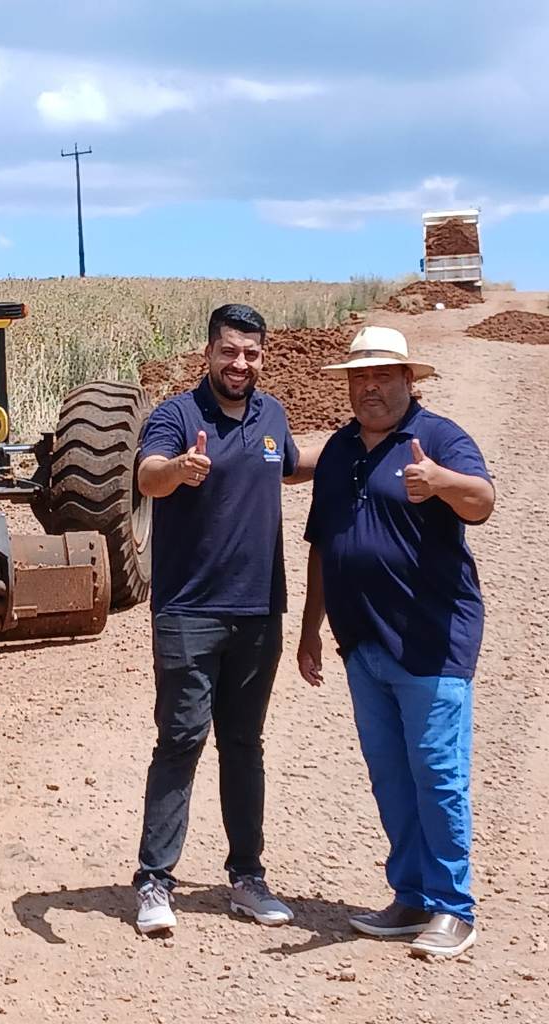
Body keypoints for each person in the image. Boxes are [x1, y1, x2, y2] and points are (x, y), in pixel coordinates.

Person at [297, 325, 495, 959]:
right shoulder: (337, 451)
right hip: (363, 643)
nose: (370, 386)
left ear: (410, 380)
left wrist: (439, 481)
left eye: (383, 375)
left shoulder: (437, 439)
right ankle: (411, 895)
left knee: (436, 772)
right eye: (359, 376)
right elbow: (323, 545)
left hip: (430, 642)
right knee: (390, 776)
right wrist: (310, 631)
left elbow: (483, 502)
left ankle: (453, 908)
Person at [133, 303, 319, 935]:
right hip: (188, 611)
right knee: (181, 740)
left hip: (260, 610)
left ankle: (248, 878)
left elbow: (289, 466)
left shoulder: (272, 415)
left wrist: (364, 450)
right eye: (229, 351)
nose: (241, 364)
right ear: (207, 353)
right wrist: (180, 469)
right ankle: (155, 882)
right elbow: (147, 476)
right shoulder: (176, 417)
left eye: (252, 353)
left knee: (244, 745)